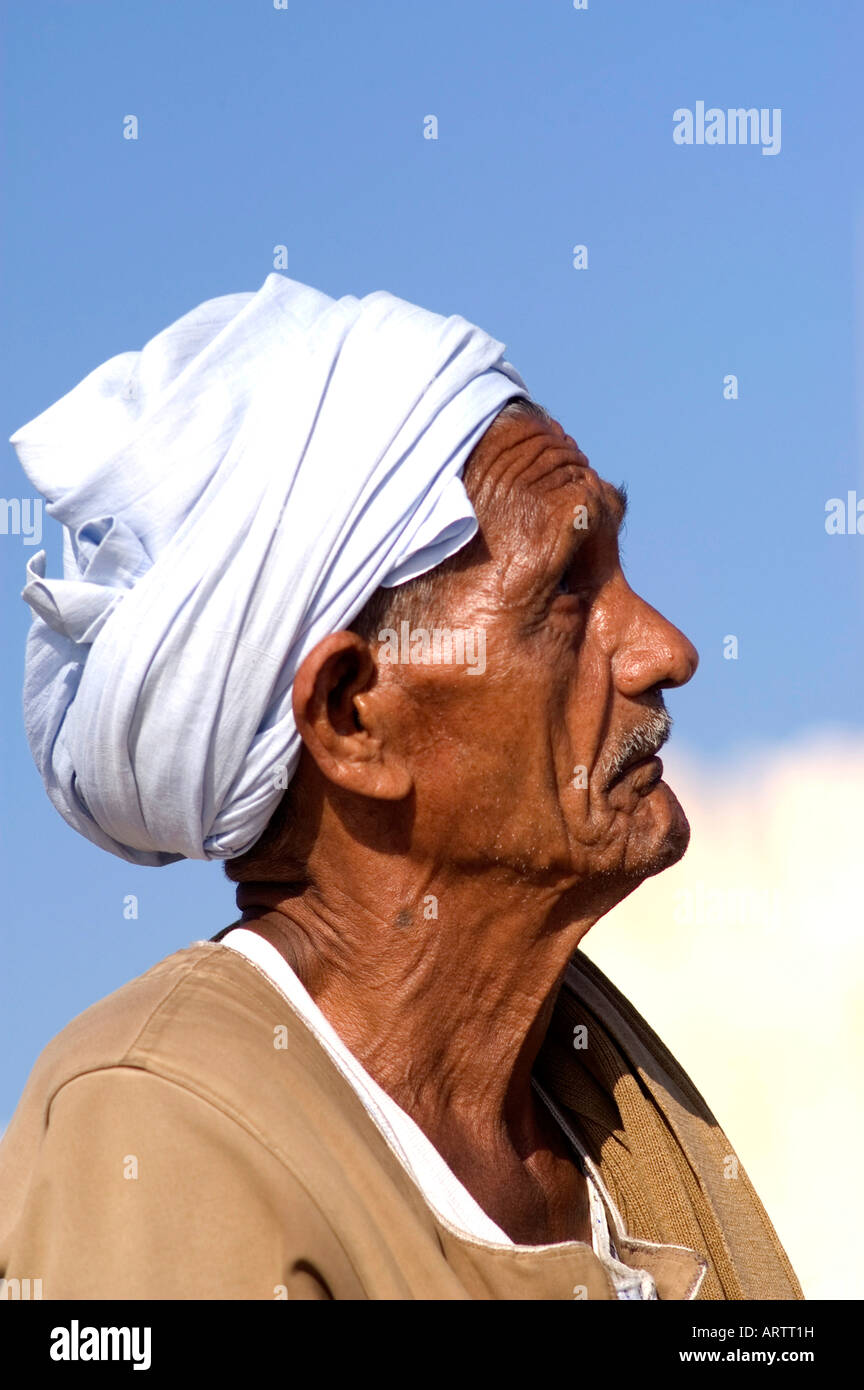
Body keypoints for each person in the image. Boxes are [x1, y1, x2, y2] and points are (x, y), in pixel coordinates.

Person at [0, 275, 803, 1300]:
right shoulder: (168, 1131)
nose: (665, 650)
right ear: (351, 716)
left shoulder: (591, 1110)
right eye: (566, 591)